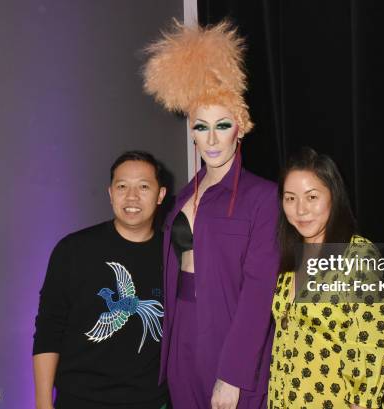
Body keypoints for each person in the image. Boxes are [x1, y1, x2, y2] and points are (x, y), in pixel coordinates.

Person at [143, 20, 280, 409]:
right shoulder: (185, 195)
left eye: (223, 125)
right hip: (182, 332)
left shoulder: (262, 197)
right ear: (192, 133)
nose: (213, 138)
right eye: (202, 127)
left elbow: (258, 294)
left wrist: (233, 375)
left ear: (240, 128)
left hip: (229, 335)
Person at [32, 151, 169, 409]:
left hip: (151, 402)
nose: (131, 196)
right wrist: (42, 402)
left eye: (143, 186)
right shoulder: (73, 250)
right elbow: (49, 330)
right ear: (110, 193)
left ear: (160, 194)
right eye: (122, 186)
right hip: (80, 401)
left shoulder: (174, 255)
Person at [268, 147, 384, 409]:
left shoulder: (357, 254)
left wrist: (362, 402)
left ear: (333, 197)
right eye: (290, 198)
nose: (301, 210)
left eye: (312, 196)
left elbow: (375, 339)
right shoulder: (289, 258)